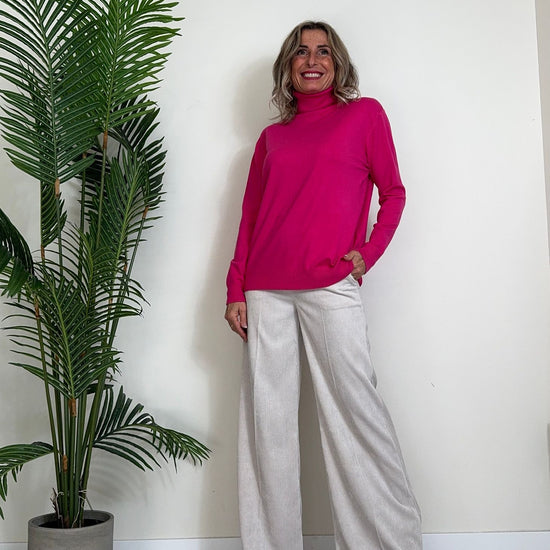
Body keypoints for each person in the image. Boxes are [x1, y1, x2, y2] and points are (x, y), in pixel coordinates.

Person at [225, 20, 422, 550]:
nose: (312, 60)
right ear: (288, 66)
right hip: (265, 289)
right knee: (267, 427)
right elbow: (251, 218)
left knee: (356, 417)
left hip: (331, 281)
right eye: (301, 52)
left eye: (324, 52)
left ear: (338, 64)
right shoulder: (271, 139)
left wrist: (368, 254)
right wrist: (236, 288)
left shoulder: (364, 115)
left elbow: (394, 193)